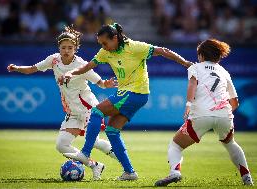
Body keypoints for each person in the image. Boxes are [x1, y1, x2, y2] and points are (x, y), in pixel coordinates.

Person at [62, 23, 193, 180]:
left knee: (96, 111)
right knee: (111, 131)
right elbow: (88, 66)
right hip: (131, 94)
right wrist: (72, 73)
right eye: (101, 44)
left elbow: (163, 51)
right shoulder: (105, 51)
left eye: (105, 43)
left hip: (135, 92)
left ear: (115, 38)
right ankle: (129, 172)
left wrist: (185, 63)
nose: (103, 47)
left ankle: (85, 153)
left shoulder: (135, 47)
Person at [7, 26, 118, 180]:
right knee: (62, 145)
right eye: (63, 47)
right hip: (72, 112)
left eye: (70, 47)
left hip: (87, 108)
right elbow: (32, 69)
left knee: (93, 142)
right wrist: (17, 68)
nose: (66, 50)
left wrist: (107, 83)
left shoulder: (81, 65)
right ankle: (95, 165)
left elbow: (100, 82)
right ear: (59, 47)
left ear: (76, 48)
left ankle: (124, 162)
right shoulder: (53, 60)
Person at [155, 39, 254, 186]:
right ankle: (247, 178)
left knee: (175, 145)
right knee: (231, 143)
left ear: (201, 55)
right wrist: (221, 114)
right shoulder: (224, 72)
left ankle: (175, 172)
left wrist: (188, 104)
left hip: (200, 115)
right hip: (224, 115)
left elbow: (192, 84)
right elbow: (235, 102)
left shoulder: (195, 67)